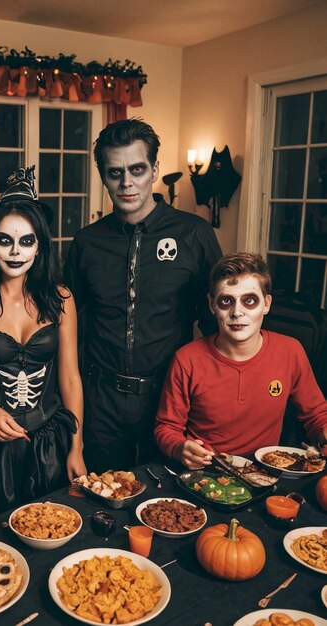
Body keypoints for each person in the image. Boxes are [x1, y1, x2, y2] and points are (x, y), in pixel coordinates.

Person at [64, 118, 222, 471]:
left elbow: (215, 324)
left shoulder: (194, 234)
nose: (127, 182)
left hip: (168, 397)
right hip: (99, 398)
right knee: (101, 495)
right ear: (103, 176)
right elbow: (69, 329)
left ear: (155, 169)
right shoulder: (86, 243)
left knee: (165, 502)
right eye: (115, 172)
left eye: (137, 169)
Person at [0, 167, 86, 526]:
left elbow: (70, 380)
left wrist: (76, 446)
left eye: (26, 241)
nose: (15, 251)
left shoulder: (61, 299)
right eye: (4, 240)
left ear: (40, 246)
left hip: (49, 447)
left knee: (52, 533)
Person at [154, 252, 327, 469]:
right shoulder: (187, 359)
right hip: (206, 473)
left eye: (249, 301)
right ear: (212, 305)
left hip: (263, 472)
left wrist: (324, 433)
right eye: (226, 301)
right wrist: (180, 449)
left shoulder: (290, 351)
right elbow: (166, 428)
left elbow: (316, 416)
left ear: (266, 304)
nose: (237, 312)